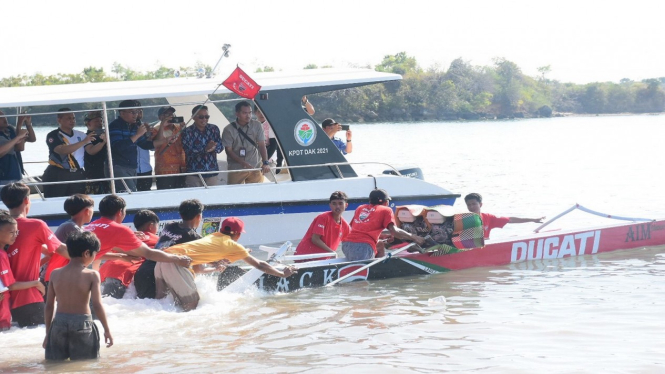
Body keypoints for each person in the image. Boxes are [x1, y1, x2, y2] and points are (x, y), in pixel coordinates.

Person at [155, 217, 297, 311]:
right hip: (176, 262)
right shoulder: (233, 246)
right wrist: (282, 274)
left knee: (160, 302)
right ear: (238, 234)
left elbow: (199, 265)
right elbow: (260, 265)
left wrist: (216, 266)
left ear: (221, 229)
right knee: (192, 306)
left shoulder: (212, 237)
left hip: (162, 259)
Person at [0, 182, 69, 327]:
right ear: (26, 200)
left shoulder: (3, 227)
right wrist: (87, 257)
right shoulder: (36, 225)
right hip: (28, 298)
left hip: (5, 302)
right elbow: (61, 250)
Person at [44, 231, 113, 360]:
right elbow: (97, 305)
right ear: (86, 253)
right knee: (85, 366)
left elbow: (49, 306)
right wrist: (107, 330)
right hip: (82, 325)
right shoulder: (92, 275)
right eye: (94, 254)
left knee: (56, 365)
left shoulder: (55, 274)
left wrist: (48, 333)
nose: (94, 258)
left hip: (58, 324)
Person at [85, 194, 191, 272]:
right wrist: (178, 259)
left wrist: (120, 256)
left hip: (74, 269)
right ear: (120, 212)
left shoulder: (91, 226)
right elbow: (149, 253)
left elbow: (94, 254)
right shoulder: (120, 230)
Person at [134, 199, 203, 299]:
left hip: (141, 273)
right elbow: (199, 269)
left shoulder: (169, 226)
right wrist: (216, 266)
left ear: (181, 215)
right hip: (158, 276)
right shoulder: (195, 238)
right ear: (199, 216)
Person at [342, 189, 425, 261]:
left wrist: (383, 236)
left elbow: (356, 230)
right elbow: (395, 231)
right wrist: (414, 237)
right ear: (385, 202)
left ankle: (380, 263)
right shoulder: (386, 210)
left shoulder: (360, 208)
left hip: (345, 245)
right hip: (362, 247)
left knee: (380, 244)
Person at [99, 209, 159, 299]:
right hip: (122, 274)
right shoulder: (156, 240)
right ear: (151, 226)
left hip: (104, 271)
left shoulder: (127, 237)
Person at [0, 214, 46, 331]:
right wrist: (36, 283)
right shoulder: (1, 255)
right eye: (11, 232)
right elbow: (10, 285)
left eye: (17, 232)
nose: (15, 236)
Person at [44, 194, 96, 287]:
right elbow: (85, 254)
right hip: (54, 277)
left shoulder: (71, 226)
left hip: (57, 276)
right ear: (87, 211)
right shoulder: (71, 227)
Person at [41, 108, 94, 197]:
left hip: (78, 173)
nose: (72, 121)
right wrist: (83, 141)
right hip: (58, 173)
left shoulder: (81, 135)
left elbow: (91, 151)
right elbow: (62, 150)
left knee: (78, 202)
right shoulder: (53, 135)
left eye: (73, 118)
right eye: (68, 118)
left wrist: (103, 142)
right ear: (59, 120)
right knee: (55, 201)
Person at [107, 100, 153, 192]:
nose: (135, 115)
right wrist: (137, 135)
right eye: (132, 112)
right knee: (129, 193)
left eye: (136, 112)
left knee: (131, 193)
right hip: (118, 166)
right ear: (122, 113)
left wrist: (165, 140)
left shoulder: (134, 126)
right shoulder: (114, 126)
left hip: (132, 166)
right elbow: (117, 147)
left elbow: (144, 145)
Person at [221, 101, 271, 185]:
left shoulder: (257, 125)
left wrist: (265, 162)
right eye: (244, 113)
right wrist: (242, 163)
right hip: (236, 168)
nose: (248, 115)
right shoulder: (228, 129)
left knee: (256, 194)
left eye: (250, 113)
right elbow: (228, 151)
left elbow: (262, 145)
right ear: (237, 114)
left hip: (255, 166)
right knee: (234, 193)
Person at [294, 191, 351, 261]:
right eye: (334, 204)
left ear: (346, 205)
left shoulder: (345, 226)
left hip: (323, 260)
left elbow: (349, 243)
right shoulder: (323, 218)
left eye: (340, 203)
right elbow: (315, 239)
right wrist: (331, 252)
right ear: (330, 205)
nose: (337, 206)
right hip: (305, 257)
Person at [464, 193, 545, 239]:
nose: (471, 207)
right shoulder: (463, 220)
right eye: (469, 205)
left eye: (474, 204)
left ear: (480, 204)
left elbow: (510, 220)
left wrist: (533, 220)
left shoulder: (488, 217)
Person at [181, 105, 224, 187]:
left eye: (207, 116)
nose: (204, 119)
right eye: (201, 117)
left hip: (212, 172)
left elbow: (220, 147)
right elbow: (188, 151)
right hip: (194, 174)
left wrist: (214, 147)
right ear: (193, 117)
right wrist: (205, 149)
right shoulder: (187, 132)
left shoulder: (214, 129)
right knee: (194, 198)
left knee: (212, 199)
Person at [153, 106, 186, 190]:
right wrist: (162, 125)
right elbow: (158, 142)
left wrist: (184, 129)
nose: (170, 116)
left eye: (171, 114)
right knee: (165, 196)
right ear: (160, 117)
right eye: (166, 114)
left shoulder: (178, 128)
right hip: (165, 170)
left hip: (181, 168)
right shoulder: (155, 129)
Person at [82, 111, 110, 194]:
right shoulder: (85, 137)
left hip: (106, 172)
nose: (100, 123)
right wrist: (103, 142)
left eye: (101, 121)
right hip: (93, 173)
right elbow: (91, 151)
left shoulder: (105, 134)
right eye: (96, 121)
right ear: (88, 123)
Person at [0, 110, 29, 185]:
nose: (4, 119)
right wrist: (18, 137)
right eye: (1, 117)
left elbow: (20, 148)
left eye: (4, 116)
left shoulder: (10, 130)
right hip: (3, 175)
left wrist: (21, 124)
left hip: (14, 173)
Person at [135, 108, 155, 192]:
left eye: (141, 111)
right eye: (136, 111)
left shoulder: (146, 127)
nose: (139, 113)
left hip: (146, 168)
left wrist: (149, 135)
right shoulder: (126, 128)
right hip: (132, 169)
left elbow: (152, 148)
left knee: (146, 192)